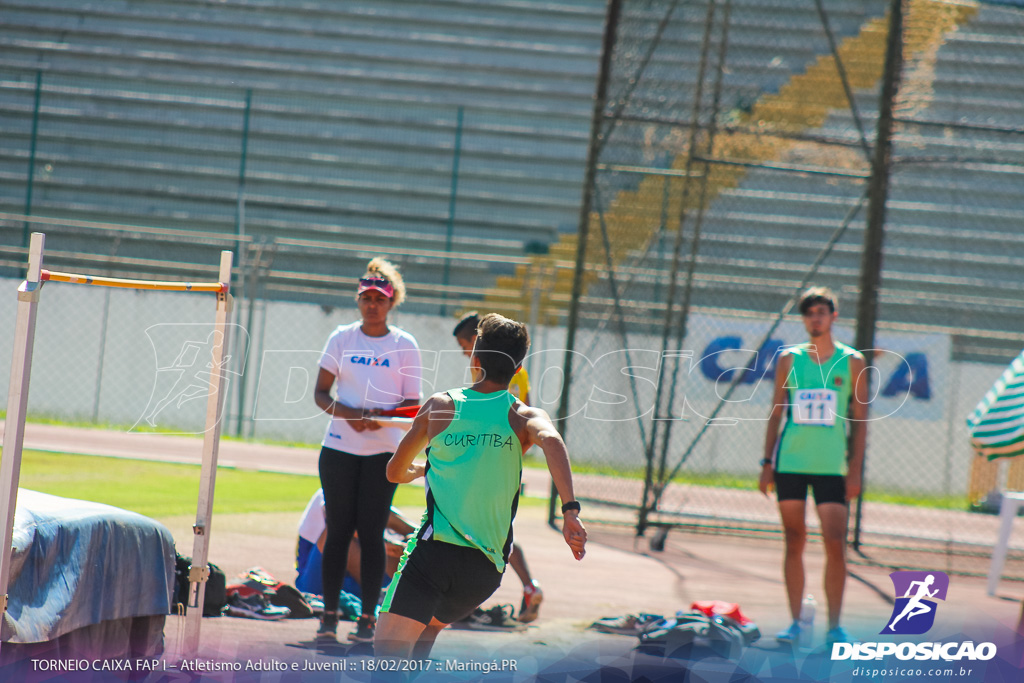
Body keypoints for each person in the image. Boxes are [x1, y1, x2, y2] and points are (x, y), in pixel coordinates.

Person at [375, 313, 587, 660]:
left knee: (386, 658)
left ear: (474, 358)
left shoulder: (441, 406)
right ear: (518, 367)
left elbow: (393, 472)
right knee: (422, 640)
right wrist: (570, 513)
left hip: (433, 555)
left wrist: (417, 470)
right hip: (484, 571)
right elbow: (553, 443)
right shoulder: (524, 416)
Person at [313, 258, 422, 644]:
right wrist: (352, 415)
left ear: (392, 302)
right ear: (358, 300)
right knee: (339, 530)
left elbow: (413, 406)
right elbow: (321, 394)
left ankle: (368, 619)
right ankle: (328, 617)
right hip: (339, 449)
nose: (372, 304)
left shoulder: (404, 344)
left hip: (383, 455)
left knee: (372, 533)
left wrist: (381, 418)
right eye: (366, 298)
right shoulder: (342, 338)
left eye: (379, 298)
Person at [759, 286, 867, 647]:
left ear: (834, 317)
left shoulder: (852, 361)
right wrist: (766, 462)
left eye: (822, 312)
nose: (815, 318)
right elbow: (777, 411)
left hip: (831, 467)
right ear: (804, 319)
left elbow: (861, 420)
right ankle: (795, 622)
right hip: (791, 461)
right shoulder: (790, 359)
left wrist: (855, 470)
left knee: (835, 542)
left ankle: (835, 626)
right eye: (809, 313)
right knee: (794, 539)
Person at [452, 311, 542, 623]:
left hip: (490, 457)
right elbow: (524, 411)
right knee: (494, 525)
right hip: (506, 455)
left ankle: (467, 598)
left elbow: (498, 415)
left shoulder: (494, 373)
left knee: (484, 526)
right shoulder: (519, 372)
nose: (465, 353)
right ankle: (527, 587)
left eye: (466, 345)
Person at [295, 488, 416, 599]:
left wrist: (415, 541)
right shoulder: (330, 490)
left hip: (361, 580)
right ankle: (377, 594)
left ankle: (386, 593)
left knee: (413, 546)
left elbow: (410, 530)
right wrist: (385, 545)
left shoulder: (379, 503)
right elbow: (339, 522)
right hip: (316, 582)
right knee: (336, 531)